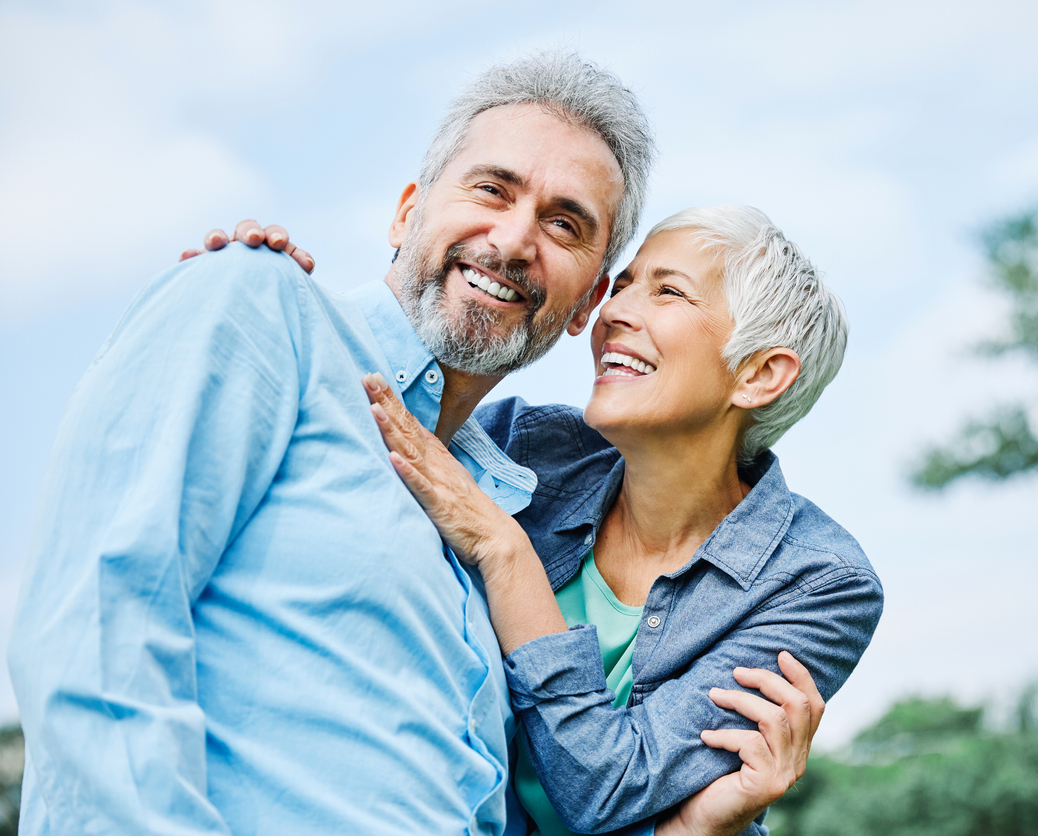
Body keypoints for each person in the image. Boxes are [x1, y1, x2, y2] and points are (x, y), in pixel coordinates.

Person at [10, 52, 756, 836]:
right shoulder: (260, 306)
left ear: (586, 305)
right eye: (491, 189)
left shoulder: (498, 526)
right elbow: (99, 625)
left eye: (564, 223)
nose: (512, 240)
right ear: (406, 214)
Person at [219, 205, 884, 836]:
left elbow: (603, 789)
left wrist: (505, 552)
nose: (615, 310)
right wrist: (255, 304)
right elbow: (343, 439)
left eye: (667, 293)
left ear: (761, 375)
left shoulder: (819, 583)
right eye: (622, 284)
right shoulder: (521, 445)